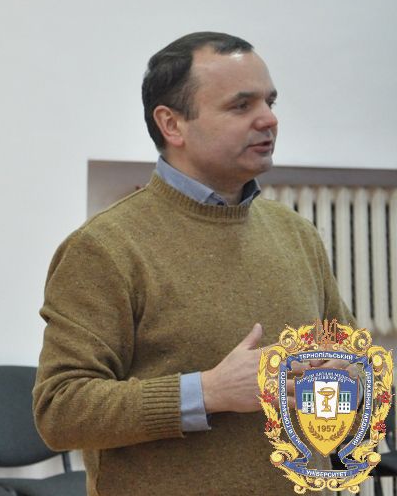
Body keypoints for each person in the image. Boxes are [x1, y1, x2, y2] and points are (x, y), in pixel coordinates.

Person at [32, 32, 352, 495]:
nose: (269, 118)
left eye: (269, 101)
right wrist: (208, 392)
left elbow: (349, 360)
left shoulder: (296, 234)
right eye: (241, 105)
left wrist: (348, 373)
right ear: (172, 124)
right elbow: (60, 410)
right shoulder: (104, 247)